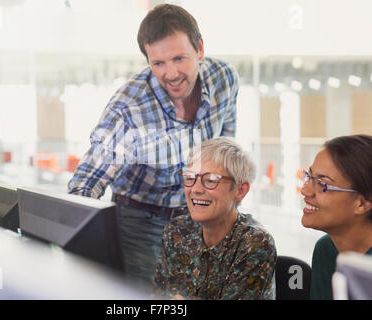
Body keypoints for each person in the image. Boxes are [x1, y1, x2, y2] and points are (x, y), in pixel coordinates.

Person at [67, 4, 239, 286]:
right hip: (141, 222)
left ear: (200, 49)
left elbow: (227, 140)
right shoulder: (129, 108)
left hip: (201, 218)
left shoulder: (224, 78)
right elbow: (88, 180)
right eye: (158, 63)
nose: (170, 73)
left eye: (179, 58)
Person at [153, 137, 277, 299]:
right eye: (190, 177)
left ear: (240, 190)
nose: (195, 189)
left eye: (211, 180)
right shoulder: (176, 231)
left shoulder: (255, 243)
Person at [300, 134, 372, 300]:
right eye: (309, 177)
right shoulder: (326, 249)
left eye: (322, 184)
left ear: (363, 203)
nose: (305, 190)